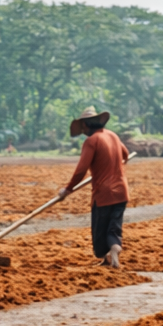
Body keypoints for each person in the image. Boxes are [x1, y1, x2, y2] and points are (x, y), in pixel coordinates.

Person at [57, 107, 129, 268]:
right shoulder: (113, 135)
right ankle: (113, 252)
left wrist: (68, 189)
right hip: (122, 192)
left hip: (103, 194)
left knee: (100, 231)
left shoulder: (91, 141)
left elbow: (81, 170)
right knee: (114, 228)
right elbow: (125, 155)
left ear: (86, 126)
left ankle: (105, 255)